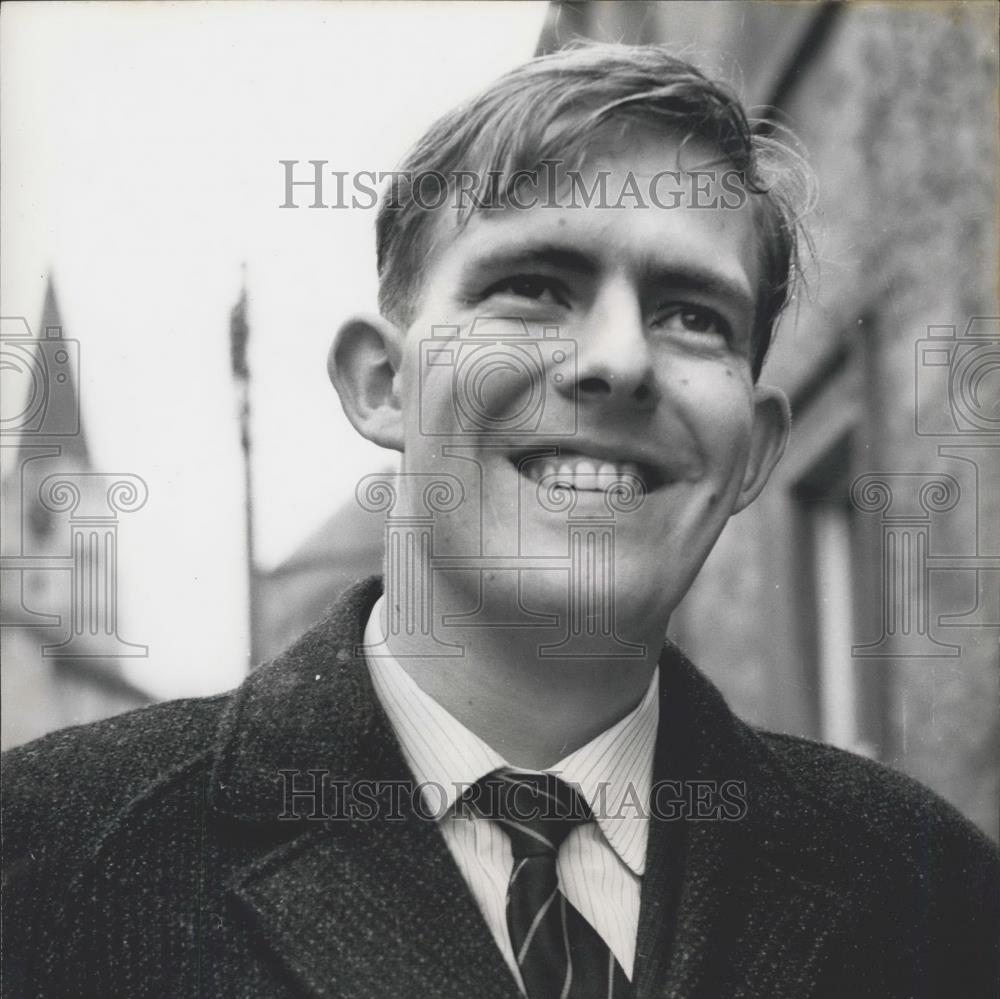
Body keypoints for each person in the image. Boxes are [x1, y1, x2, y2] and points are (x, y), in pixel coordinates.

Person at [3, 43, 998, 999]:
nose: (619, 360)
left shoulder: (932, 894)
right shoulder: (46, 864)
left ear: (754, 449)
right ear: (381, 384)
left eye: (692, 313)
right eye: (533, 288)